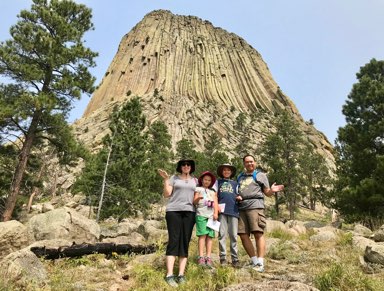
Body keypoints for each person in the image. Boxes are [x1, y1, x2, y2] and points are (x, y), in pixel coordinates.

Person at [237, 154, 284, 273]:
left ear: (255, 163)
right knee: (243, 235)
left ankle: (261, 262)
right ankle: (254, 262)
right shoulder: (240, 177)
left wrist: (272, 191)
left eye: (251, 161)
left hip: (255, 207)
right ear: (244, 164)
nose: (249, 164)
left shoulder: (260, 175)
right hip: (241, 207)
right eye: (247, 162)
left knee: (258, 233)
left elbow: (267, 192)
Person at [158, 159, 197, 287]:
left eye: (188, 165)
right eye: (183, 165)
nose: (186, 166)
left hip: (189, 212)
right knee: (174, 240)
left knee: (185, 241)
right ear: (180, 167)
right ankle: (169, 274)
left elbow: (197, 198)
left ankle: (181, 274)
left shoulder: (195, 181)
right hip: (173, 211)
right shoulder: (174, 178)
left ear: (191, 167)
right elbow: (167, 194)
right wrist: (165, 179)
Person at [216, 163, 241, 268]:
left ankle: (235, 258)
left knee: (233, 235)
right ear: (222, 172)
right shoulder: (218, 182)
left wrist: (239, 197)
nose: (226, 172)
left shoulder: (235, 184)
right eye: (224, 170)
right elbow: (214, 195)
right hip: (221, 211)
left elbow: (239, 194)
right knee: (222, 234)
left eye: (228, 170)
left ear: (231, 172)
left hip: (233, 211)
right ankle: (223, 258)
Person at [193, 171, 219, 268]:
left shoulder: (213, 191)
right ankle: (201, 256)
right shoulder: (198, 189)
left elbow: (215, 203)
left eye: (209, 180)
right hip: (201, 215)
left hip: (211, 216)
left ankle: (208, 257)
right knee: (202, 235)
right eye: (205, 179)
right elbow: (194, 202)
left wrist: (216, 213)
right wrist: (198, 198)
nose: (207, 181)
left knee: (210, 236)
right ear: (202, 180)